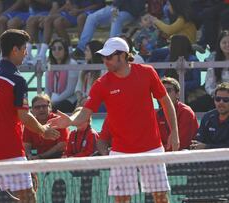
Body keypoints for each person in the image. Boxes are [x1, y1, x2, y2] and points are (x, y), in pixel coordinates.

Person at [48, 37, 179, 203]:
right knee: (121, 200)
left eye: (109, 57)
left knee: (161, 198)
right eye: (103, 57)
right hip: (121, 151)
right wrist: (70, 121)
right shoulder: (102, 84)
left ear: (123, 56)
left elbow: (166, 102)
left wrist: (174, 132)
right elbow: (85, 113)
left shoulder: (147, 72)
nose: (105, 60)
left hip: (151, 148)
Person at [0, 29, 60, 203]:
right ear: (14, 50)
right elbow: (24, 116)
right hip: (9, 148)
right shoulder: (17, 79)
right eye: (24, 49)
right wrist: (43, 130)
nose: (26, 53)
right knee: (28, 198)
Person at [157, 77, 198, 151]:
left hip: (184, 157)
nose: (165, 94)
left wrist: (159, 151)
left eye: (168, 91)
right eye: (162, 91)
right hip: (164, 155)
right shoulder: (157, 114)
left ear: (177, 94)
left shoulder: (186, 112)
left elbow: (182, 143)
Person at [23, 94, 69, 159]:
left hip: (57, 159)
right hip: (36, 159)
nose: (41, 109)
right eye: (37, 107)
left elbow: (62, 145)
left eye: (44, 106)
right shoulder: (30, 123)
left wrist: (41, 156)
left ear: (49, 107)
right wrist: (29, 155)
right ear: (32, 110)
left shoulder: (58, 120)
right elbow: (26, 145)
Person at [190, 82, 229, 150]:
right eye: (218, 99)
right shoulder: (207, 117)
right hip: (207, 159)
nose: (221, 102)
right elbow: (199, 140)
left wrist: (206, 147)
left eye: (226, 100)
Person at [45, 38, 78, 113]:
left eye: (60, 48)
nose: (56, 51)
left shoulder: (72, 64)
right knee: (40, 107)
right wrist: (46, 100)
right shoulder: (49, 64)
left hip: (69, 99)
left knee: (51, 109)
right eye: (53, 49)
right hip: (53, 99)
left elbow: (70, 90)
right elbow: (47, 88)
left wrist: (53, 102)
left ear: (65, 51)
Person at [75, 40, 103, 107]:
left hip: (97, 102)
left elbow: (100, 93)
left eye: (87, 50)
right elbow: (78, 88)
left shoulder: (103, 69)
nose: (84, 52)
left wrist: (87, 100)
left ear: (94, 52)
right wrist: (79, 100)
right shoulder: (84, 67)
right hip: (83, 101)